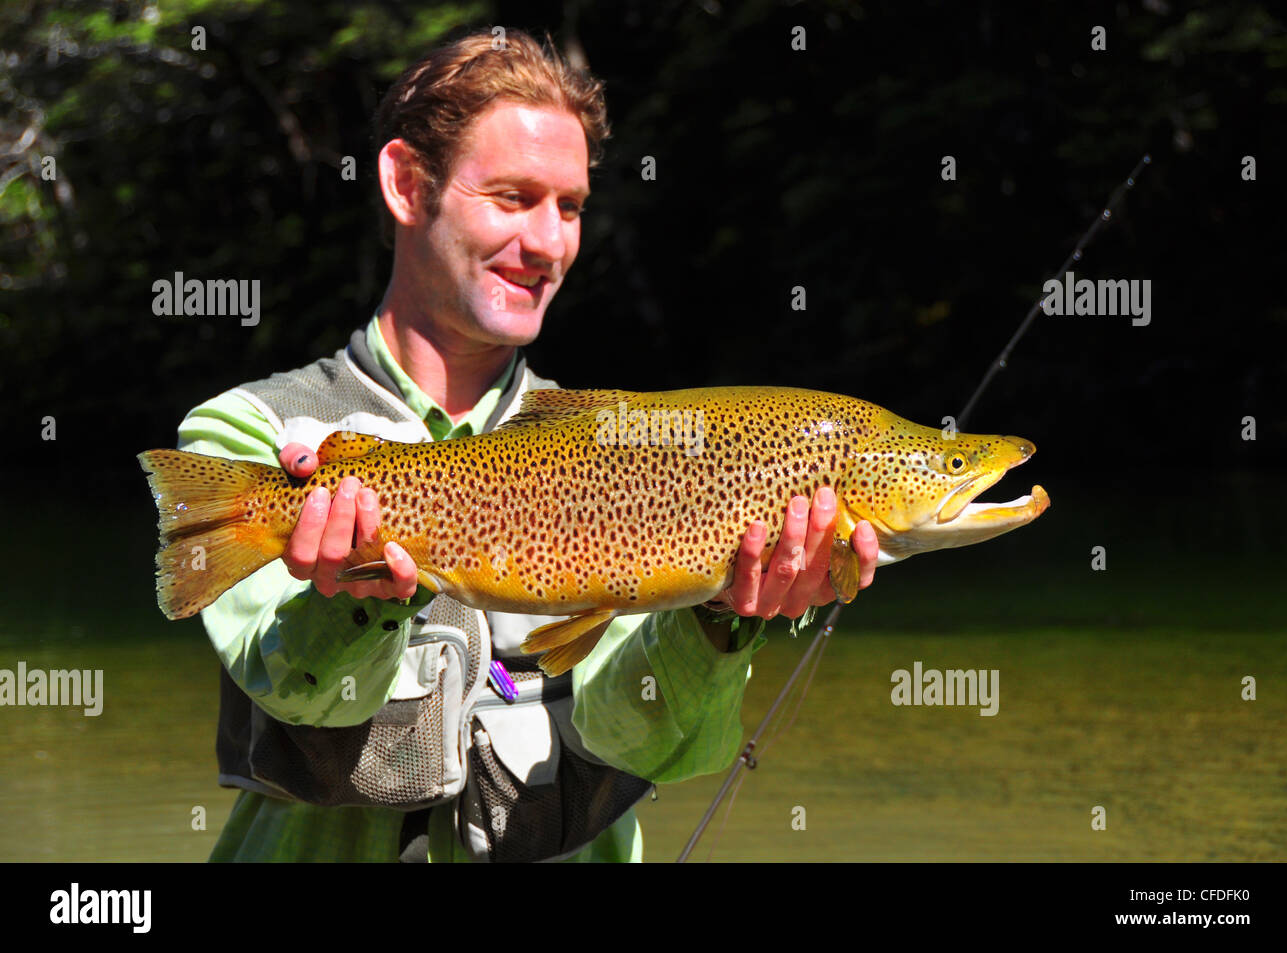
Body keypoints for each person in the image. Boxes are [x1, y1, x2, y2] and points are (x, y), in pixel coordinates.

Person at [176, 27, 878, 862]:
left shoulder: (627, 446)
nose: (549, 243)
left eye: (571, 206)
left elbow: (637, 740)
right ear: (405, 183)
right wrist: (350, 597)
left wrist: (721, 620)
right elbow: (292, 690)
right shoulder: (253, 434)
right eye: (512, 197)